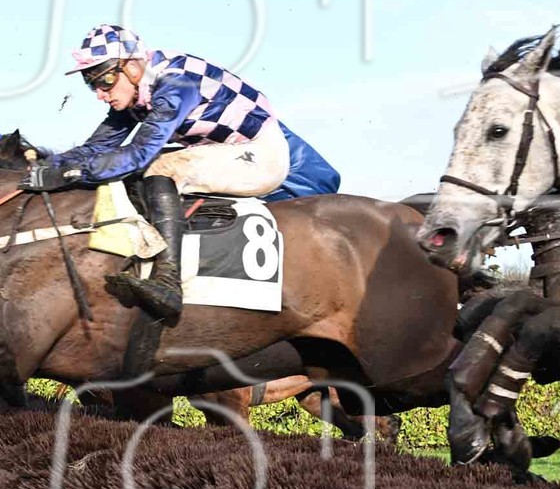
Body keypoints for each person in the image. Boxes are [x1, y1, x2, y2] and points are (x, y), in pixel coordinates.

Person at [18, 23, 339, 322]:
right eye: (91, 86)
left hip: (262, 155)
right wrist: (48, 166)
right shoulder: (137, 90)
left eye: (104, 81)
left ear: (132, 66)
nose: (100, 93)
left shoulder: (176, 82)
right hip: (223, 151)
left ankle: (169, 282)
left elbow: (138, 153)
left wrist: (70, 174)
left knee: (160, 168)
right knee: (136, 172)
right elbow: (96, 148)